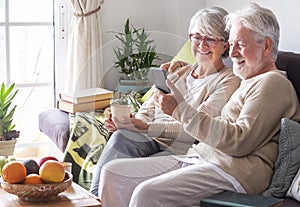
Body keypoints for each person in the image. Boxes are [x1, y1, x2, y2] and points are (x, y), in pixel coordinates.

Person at [98, 3, 300, 207]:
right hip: (202, 157)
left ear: (266, 46)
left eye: (240, 44)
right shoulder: (249, 80)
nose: (233, 54)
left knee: (146, 194)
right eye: (232, 45)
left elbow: (240, 141)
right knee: (113, 173)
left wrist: (179, 110)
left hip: (236, 171)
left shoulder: (273, 83)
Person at [90, 7, 241, 196]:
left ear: (225, 45)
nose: (202, 45)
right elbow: (150, 106)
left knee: (129, 169)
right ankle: (93, 199)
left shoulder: (228, 81)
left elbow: (196, 130)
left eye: (210, 39)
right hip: (151, 137)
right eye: (196, 37)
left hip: (181, 148)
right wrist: (130, 122)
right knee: (121, 136)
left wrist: (144, 127)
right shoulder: (179, 71)